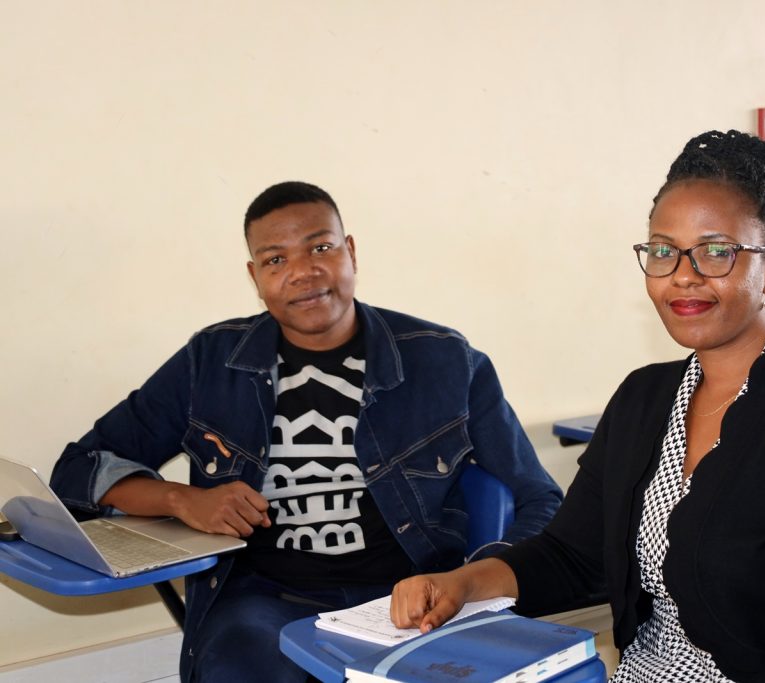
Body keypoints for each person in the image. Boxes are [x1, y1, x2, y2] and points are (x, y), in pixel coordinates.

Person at [390, 131, 765, 682]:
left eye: (716, 252)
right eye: (663, 250)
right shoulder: (644, 398)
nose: (683, 274)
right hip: (657, 670)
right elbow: (572, 557)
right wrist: (462, 584)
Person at [49, 181, 562, 682]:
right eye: (276, 259)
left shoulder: (446, 361)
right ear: (255, 275)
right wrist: (181, 499)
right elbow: (79, 469)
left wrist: (468, 581)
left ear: (351, 252)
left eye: (321, 247)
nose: (303, 272)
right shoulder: (210, 363)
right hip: (262, 600)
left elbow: (540, 499)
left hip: (408, 599)